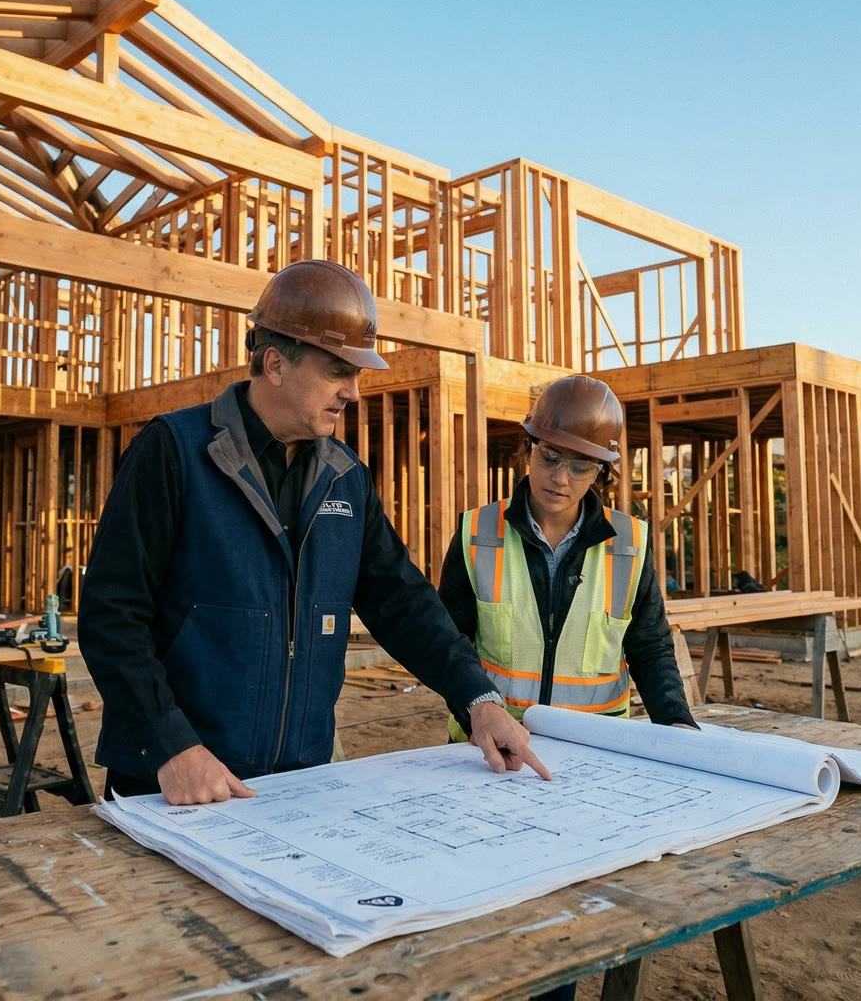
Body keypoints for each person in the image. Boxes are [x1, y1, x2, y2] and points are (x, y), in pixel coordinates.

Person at [77, 259, 552, 806]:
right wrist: (169, 747)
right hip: (172, 787)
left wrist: (478, 698)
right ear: (275, 363)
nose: (353, 391)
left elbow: (402, 601)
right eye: (337, 372)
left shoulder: (345, 477)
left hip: (297, 788)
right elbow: (113, 614)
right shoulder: (175, 453)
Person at [439, 375, 698, 737]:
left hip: (596, 750)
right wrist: (476, 708)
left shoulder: (629, 544)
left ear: (600, 473)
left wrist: (676, 723)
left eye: (580, 467)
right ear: (529, 448)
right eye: (550, 457)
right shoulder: (477, 534)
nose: (560, 478)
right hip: (490, 748)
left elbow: (650, 648)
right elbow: (449, 644)